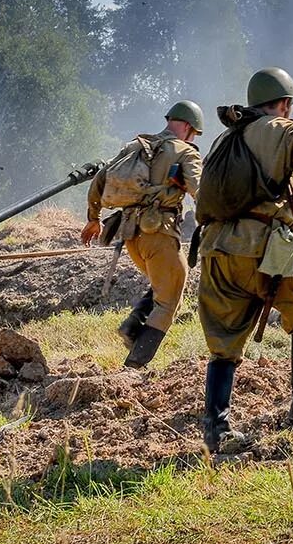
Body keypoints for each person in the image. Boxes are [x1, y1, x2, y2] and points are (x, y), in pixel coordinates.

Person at [196, 67, 293, 454]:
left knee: (223, 341)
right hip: (267, 247)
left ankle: (216, 429)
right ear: (285, 104)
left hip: (218, 247)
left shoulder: (225, 138)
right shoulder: (285, 129)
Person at [81, 101, 204, 368]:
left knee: (168, 283)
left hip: (131, 237)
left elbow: (99, 181)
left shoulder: (135, 147)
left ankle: (133, 324)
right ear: (187, 127)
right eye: (194, 133)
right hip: (158, 233)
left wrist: (93, 219)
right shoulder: (184, 152)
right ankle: (135, 364)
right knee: (170, 299)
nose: (193, 138)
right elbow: (201, 192)